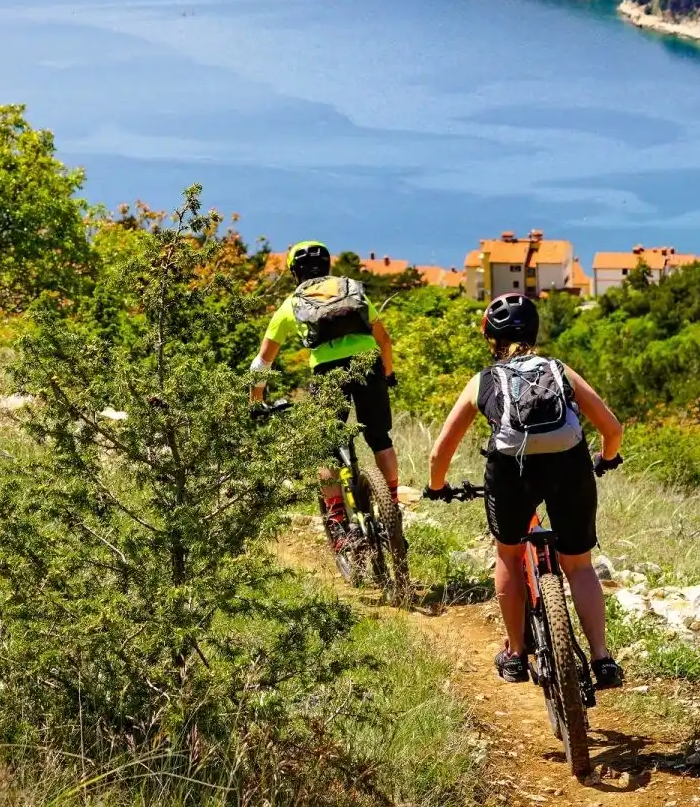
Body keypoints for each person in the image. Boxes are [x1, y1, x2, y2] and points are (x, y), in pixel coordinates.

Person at [425, 292, 625, 689]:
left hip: (511, 472)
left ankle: (516, 655)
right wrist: (605, 459)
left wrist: (437, 487)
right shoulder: (558, 370)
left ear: (490, 339)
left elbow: (440, 451)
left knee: (509, 555)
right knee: (580, 566)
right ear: (534, 331)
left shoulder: (483, 380)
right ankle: (602, 659)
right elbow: (612, 428)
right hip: (569, 465)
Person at [251, 240, 399, 536]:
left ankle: (337, 522)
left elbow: (261, 363)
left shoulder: (290, 305)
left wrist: (256, 401)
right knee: (379, 437)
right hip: (368, 363)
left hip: (327, 372)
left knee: (325, 447)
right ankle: (393, 506)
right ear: (328, 265)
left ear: (295, 272)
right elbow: (384, 339)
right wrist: (388, 372)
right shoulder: (349, 289)